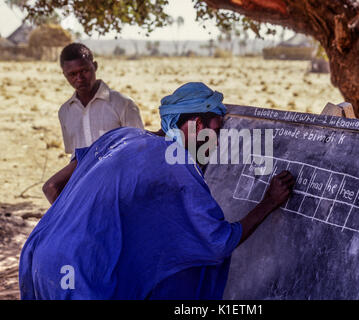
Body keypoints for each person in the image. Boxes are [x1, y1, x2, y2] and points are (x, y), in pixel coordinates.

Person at [19, 82, 294, 300]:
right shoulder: (176, 162)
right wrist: (268, 202)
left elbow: (52, 186)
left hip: (39, 258)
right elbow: (218, 242)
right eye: (216, 130)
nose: (217, 142)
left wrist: (78, 230)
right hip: (84, 276)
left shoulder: (120, 136)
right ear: (198, 124)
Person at [42, 43, 144, 203]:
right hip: (85, 186)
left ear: (94, 66)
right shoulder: (65, 112)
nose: (79, 78)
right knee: (52, 191)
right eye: (72, 74)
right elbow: (74, 156)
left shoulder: (122, 104)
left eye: (84, 71)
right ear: (64, 75)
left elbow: (138, 152)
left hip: (117, 184)